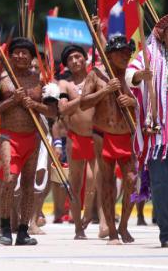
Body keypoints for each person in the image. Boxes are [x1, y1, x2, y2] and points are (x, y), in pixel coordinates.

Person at [0, 37, 57, 246]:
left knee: (29, 186)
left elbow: (53, 111)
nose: (20, 56)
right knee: (9, 180)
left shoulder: (42, 81)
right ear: (10, 56)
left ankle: (23, 231)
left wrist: (33, 105)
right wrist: (12, 101)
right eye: (16, 52)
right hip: (9, 137)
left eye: (24, 53)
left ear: (31, 57)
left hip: (33, 138)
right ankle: (5, 227)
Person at [80, 35, 137, 245]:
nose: (125, 56)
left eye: (127, 53)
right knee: (107, 182)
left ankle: (123, 225)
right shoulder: (96, 74)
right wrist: (106, 90)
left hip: (127, 135)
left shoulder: (132, 76)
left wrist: (132, 101)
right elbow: (83, 103)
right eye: (120, 53)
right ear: (109, 55)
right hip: (102, 135)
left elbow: (147, 104)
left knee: (131, 180)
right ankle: (112, 231)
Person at [126, 13, 168, 247]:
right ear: (163, 36)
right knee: (162, 187)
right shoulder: (149, 55)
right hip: (158, 137)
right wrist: (139, 75)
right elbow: (128, 75)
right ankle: (167, 234)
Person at [58, 44, 100, 240]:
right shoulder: (65, 85)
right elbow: (63, 109)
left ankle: (95, 217)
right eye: (70, 59)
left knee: (97, 181)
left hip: (97, 137)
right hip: (75, 138)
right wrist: (84, 98)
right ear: (66, 64)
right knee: (75, 184)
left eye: (78, 57)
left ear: (85, 59)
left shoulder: (96, 77)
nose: (75, 61)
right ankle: (78, 228)